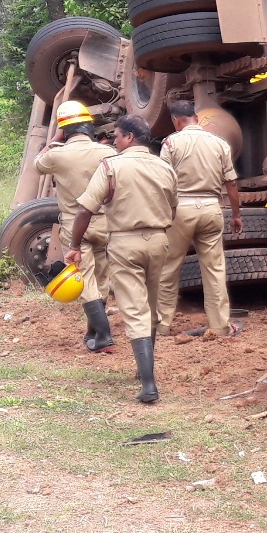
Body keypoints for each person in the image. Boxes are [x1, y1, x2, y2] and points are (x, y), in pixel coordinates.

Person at [67, 115, 177, 403]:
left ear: (129, 137)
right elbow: (173, 207)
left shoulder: (112, 166)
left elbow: (84, 210)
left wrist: (74, 245)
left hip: (125, 243)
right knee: (151, 304)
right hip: (159, 240)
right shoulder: (165, 167)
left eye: (116, 135)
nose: (113, 141)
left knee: (134, 309)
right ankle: (144, 373)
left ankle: (149, 384)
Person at [34, 101, 117, 352]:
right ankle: (93, 331)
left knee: (85, 279)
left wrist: (56, 136)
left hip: (75, 224)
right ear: (89, 127)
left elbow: (37, 163)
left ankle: (103, 336)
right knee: (102, 277)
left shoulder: (57, 155)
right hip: (106, 222)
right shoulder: (108, 152)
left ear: (65, 130)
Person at [156, 100, 243, 338]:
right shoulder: (219, 144)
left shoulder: (171, 143)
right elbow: (231, 183)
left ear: (176, 120)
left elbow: (163, 182)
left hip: (180, 210)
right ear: (195, 117)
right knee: (214, 270)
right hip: (211, 209)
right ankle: (221, 326)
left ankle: (161, 325)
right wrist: (236, 215)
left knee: (169, 268)